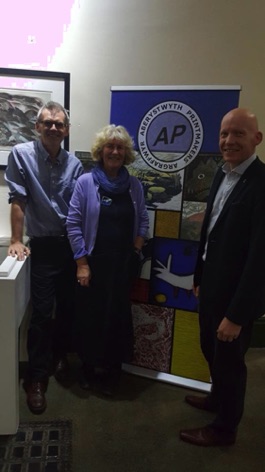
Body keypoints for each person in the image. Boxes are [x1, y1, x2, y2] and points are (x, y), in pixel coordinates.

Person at [179, 108, 265, 447]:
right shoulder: (221, 174)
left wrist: (237, 315)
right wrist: (199, 276)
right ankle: (217, 398)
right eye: (224, 134)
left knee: (230, 363)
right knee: (209, 348)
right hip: (211, 286)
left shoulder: (262, 184)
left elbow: (260, 260)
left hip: (236, 296)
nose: (228, 141)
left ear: (256, 139)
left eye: (238, 134)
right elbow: (210, 233)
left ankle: (224, 429)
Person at [5, 101, 83, 414]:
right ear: (37, 127)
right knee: (41, 314)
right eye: (47, 123)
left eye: (59, 124)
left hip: (71, 247)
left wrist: (83, 253)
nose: (53, 128)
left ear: (66, 130)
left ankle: (59, 357)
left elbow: (78, 211)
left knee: (68, 308)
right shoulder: (21, 154)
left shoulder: (75, 164)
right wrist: (14, 240)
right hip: (43, 247)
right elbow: (18, 200)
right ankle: (35, 379)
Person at [66, 124, 149, 396]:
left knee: (118, 318)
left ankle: (113, 369)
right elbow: (73, 223)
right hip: (93, 264)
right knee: (91, 318)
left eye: (119, 147)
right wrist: (82, 264)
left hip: (122, 264)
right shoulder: (85, 182)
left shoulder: (134, 185)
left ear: (125, 153)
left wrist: (136, 249)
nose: (114, 151)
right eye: (109, 146)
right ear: (100, 152)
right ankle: (89, 369)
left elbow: (143, 221)